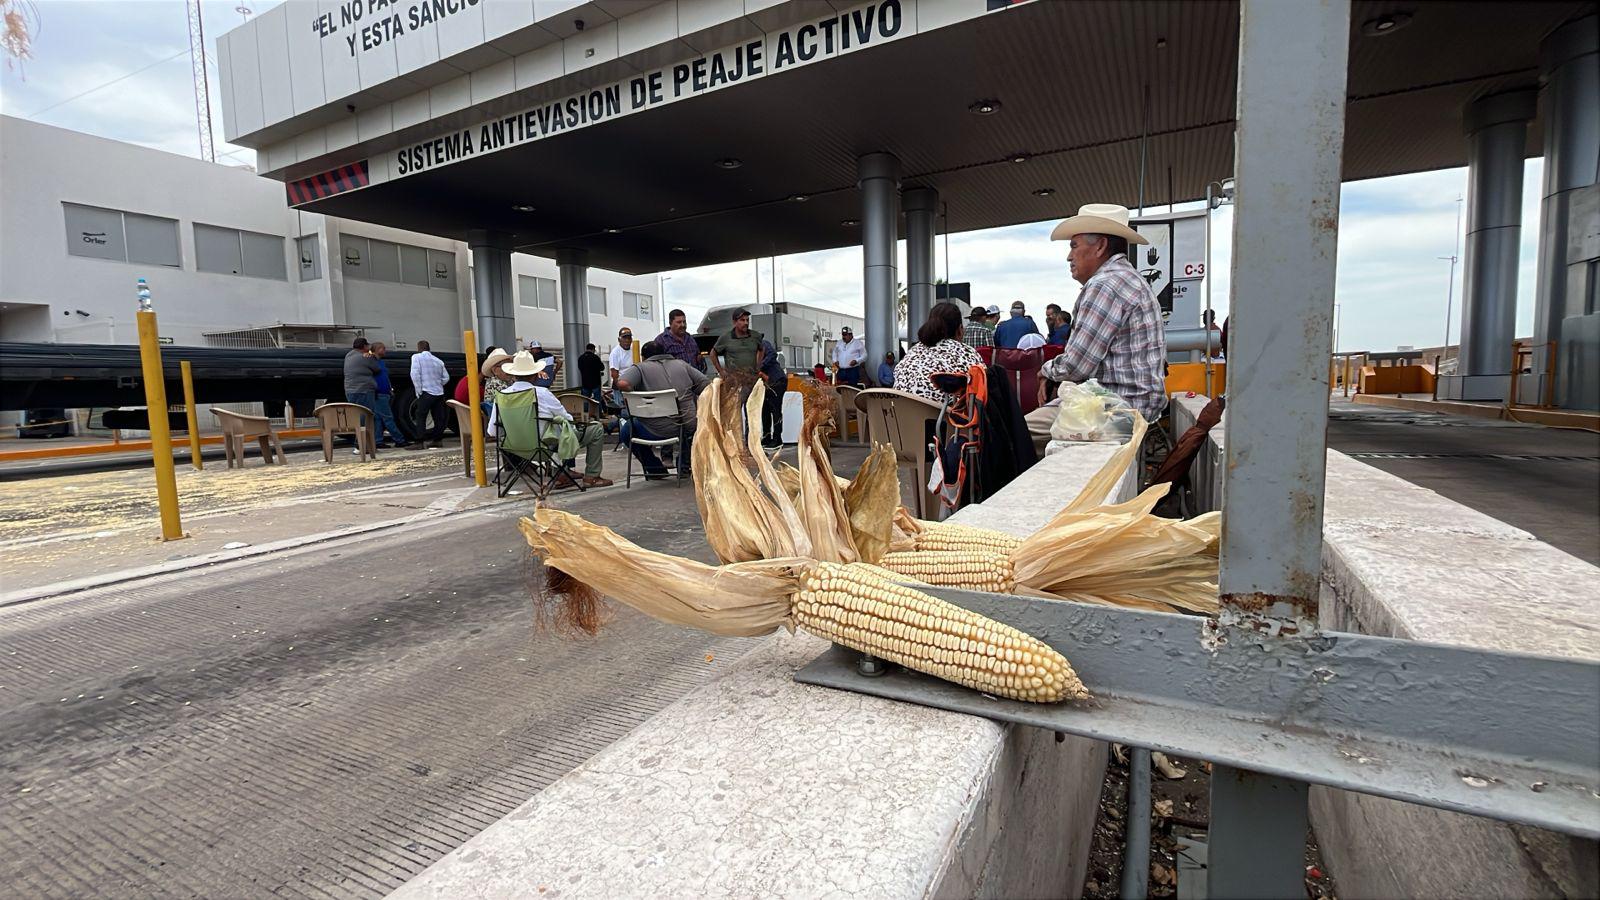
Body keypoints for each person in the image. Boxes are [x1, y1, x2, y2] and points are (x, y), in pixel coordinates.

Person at [1026, 203, 1167, 454]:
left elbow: (1077, 365)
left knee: (1014, 433)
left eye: (1074, 246)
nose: (1069, 257)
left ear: (1100, 246)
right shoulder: (1130, 279)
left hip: (1118, 410)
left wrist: (1045, 372)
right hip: (1135, 405)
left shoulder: (1104, 285)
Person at [488, 351, 612, 488]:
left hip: (515, 448)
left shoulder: (501, 396)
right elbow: (567, 419)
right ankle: (591, 477)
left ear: (514, 374)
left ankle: (562, 474)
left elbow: (493, 431)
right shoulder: (541, 393)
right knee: (594, 429)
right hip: (544, 448)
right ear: (535, 374)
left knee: (554, 430)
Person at [615, 340, 711, 479]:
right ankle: (684, 464)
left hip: (655, 429)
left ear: (643, 357)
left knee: (626, 431)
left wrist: (633, 392)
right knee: (687, 424)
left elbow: (623, 383)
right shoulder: (682, 365)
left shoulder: (640, 368)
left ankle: (654, 469)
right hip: (687, 426)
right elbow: (706, 385)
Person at [893, 301, 983, 404]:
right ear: (960, 330)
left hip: (900, 416)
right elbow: (982, 389)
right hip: (942, 418)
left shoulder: (911, 352)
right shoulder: (968, 353)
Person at [369, 342, 417, 449]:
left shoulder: (380, 362)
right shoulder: (372, 362)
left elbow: (384, 377)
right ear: (377, 350)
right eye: (383, 349)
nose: (385, 351)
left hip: (383, 393)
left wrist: (389, 388)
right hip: (379, 393)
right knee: (388, 418)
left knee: (378, 418)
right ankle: (399, 439)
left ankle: (378, 440)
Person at [408, 339, 450, 448]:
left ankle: (420, 442)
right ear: (428, 348)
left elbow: (415, 374)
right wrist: (438, 384)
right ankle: (437, 440)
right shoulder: (438, 361)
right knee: (438, 417)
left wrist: (419, 390)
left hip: (426, 392)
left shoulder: (416, 357)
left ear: (419, 348)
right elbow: (446, 378)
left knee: (421, 416)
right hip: (439, 393)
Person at [711, 307, 764, 377]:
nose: (746, 323)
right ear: (734, 322)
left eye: (747, 320)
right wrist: (721, 371)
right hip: (734, 380)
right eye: (742, 320)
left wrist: (758, 365)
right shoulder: (725, 337)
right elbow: (712, 354)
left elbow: (762, 349)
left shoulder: (755, 336)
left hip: (751, 379)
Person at [758, 338, 787, 448]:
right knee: (764, 410)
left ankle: (777, 438)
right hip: (766, 382)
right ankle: (766, 437)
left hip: (776, 380)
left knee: (775, 409)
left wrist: (759, 366)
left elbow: (772, 354)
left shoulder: (763, 343)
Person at [343, 336, 381, 416]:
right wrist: (373, 355)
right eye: (367, 346)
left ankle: (358, 428)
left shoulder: (348, 356)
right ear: (364, 346)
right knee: (366, 415)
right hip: (364, 390)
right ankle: (365, 428)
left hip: (350, 391)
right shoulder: (365, 357)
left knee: (355, 414)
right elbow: (377, 369)